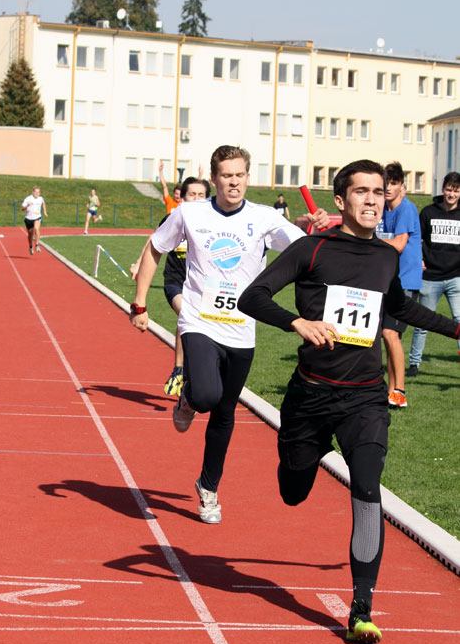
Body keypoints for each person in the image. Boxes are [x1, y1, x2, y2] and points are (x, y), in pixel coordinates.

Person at [238, 159, 460, 644]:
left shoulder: (384, 256)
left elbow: (398, 306)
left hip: (365, 397)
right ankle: (300, 458)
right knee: (293, 491)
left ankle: (361, 608)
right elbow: (252, 297)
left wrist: (457, 329)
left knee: (367, 487)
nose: (372, 200)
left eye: (378, 192)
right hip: (310, 396)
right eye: (362, 192)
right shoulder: (311, 248)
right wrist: (297, 322)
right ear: (341, 201)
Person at [130, 144, 328, 525]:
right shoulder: (190, 213)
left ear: (248, 177)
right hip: (199, 320)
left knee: (224, 412)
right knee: (206, 395)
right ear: (214, 178)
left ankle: (208, 487)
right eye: (226, 176)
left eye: (240, 175)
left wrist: (315, 228)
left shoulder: (264, 218)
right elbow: (155, 247)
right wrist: (140, 303)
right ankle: (189, 399)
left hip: (241, 328)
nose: (234, 182)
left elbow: (307, 248)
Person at [130, 176, 211, 397]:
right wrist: (138, 262)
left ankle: (192, 374)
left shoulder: (213, 224)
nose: (196, 199)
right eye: (192, 195)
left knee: (202, 327)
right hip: (175, 282)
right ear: (182, 198)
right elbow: (153, 242)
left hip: (203, 286)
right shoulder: (173, 218)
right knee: (187, 314)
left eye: (201, 195)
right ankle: (179, 370)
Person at [376, 162, 423, 408]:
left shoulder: (406, 209)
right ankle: (391, 390)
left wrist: (370, 244)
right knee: (388, 337)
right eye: (386, 183)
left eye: (393, 184)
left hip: (406, 282)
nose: (388, 188)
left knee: (390, 333)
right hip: (388, 281)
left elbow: (399, 244)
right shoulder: (383, 209)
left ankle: (400, 392)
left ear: (401, 186)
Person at [408, 171, 460, 376]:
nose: (452, 194)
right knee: (423, 323)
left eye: (456, 191)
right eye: (449, 189)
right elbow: (416, 240)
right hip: (431, 277)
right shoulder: (428, 212)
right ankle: (414, 364)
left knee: (459, 320)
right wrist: (419, 259)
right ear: (443, 189)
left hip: (456, 277)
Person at [21, 186, 48, 254]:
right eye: (35, 192)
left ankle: (37, 245)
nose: (37, 193)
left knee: (36, 229)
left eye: (38, 192)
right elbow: (22, 209)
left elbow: (43, 203)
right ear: (33, 192)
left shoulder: (41, 198)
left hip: (37, 217)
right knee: (30, 234)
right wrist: (27, 205)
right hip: (29, 218)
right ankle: (30, 246)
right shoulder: (28, 199)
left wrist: (45, 212)